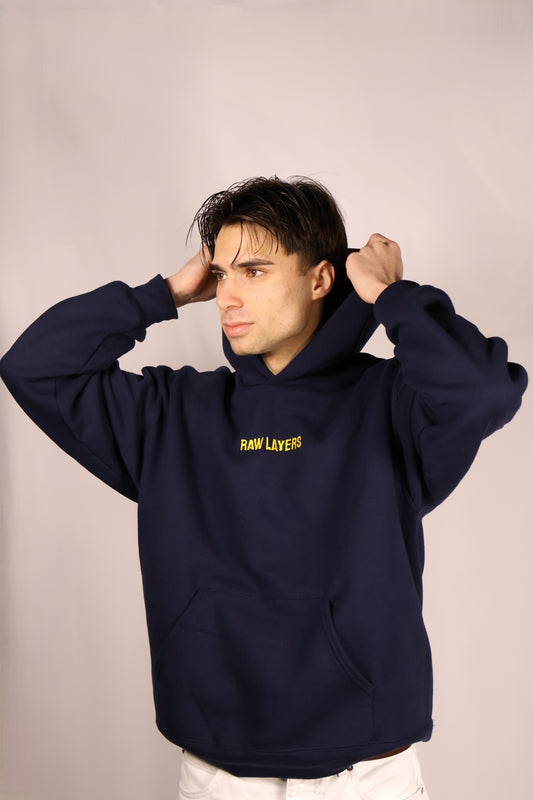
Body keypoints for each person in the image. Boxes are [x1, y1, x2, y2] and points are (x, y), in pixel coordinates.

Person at [0, 176, 528, 800]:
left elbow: (483, 390)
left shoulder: (395, 405)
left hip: (364, 776)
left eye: (254, 271)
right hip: (219, 774)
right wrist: (163, 293)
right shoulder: (173, 413)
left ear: (321, 279)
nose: (227, 296)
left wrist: (392, 297)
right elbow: (35, 367)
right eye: (221, 274)